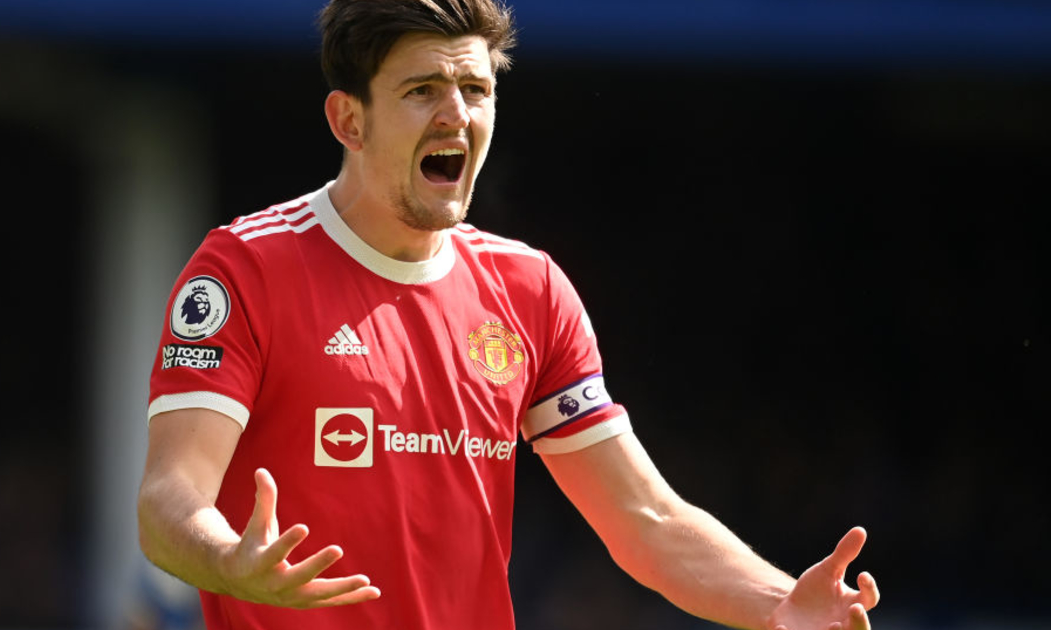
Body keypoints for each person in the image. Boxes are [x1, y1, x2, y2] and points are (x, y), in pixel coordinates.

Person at [136, 1, 882, 628]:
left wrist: (779, 604)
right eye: (422, 90)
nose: (456, 115)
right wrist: (228, 558)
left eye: (476, 89)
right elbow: (169, 499)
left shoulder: (529, 290)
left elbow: (645, 519)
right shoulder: (246, 270)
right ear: (348, 120)